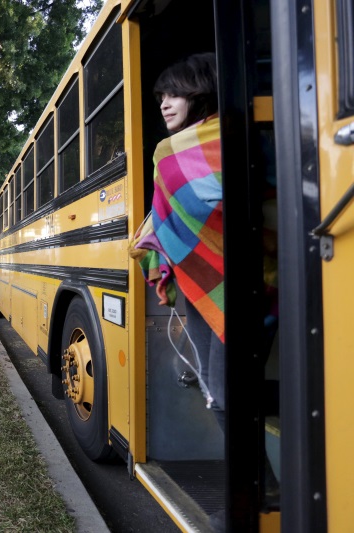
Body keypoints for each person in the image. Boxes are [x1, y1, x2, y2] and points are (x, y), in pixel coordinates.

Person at [132, 53, 225, 424]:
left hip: (231, 277)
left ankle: (261, 483)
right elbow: (171, 212)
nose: (165, 104)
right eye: (160, 98)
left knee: (220, 386)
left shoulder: (178, 150)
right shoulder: (171, 149)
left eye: (174, 94)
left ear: (199, 92)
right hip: (199, 277)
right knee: (213, 384)